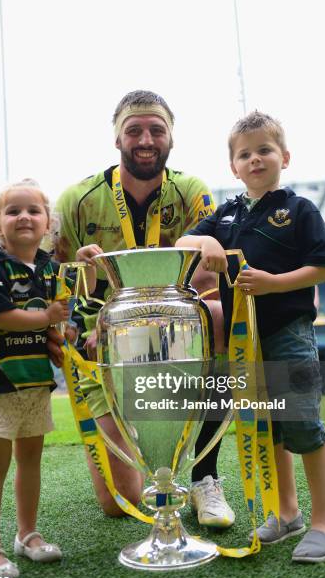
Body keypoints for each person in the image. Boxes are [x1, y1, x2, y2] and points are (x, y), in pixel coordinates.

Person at [51, 90, 234, 528]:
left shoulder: (191, 192)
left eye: (156, 129)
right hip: (101, 347)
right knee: (120, 503)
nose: (146, 139)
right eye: (134, 130)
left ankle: (205, 476)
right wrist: (79, 321)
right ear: (117, 139)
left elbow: (210, 278)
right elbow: (55, 284)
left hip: (173, 336)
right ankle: (142, 446)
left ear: (171, 137)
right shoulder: (78, 199)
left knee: (223, 315)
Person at [176, 110, 325, 563]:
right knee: (269, 429)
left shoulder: (299, 210)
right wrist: (205, 243)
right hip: (243, 341)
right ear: (233, 166)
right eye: (244, 154)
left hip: (288, 332)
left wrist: (273, 282)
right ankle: (286, 512)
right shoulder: (225, 214)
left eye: (264, 150)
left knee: (303, 423)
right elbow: (181, 245)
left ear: (284, 157)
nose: (255, 159)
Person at [0, 179, 95, 578]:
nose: (23, 217)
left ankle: (27, 534)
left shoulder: (49, 270)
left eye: (33, 211)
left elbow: (60, 316)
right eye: (13, 211)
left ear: (47, 224)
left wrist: (66, 329)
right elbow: (0, 316)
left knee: (31, 461)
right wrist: (46, 318)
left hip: (36, 382)